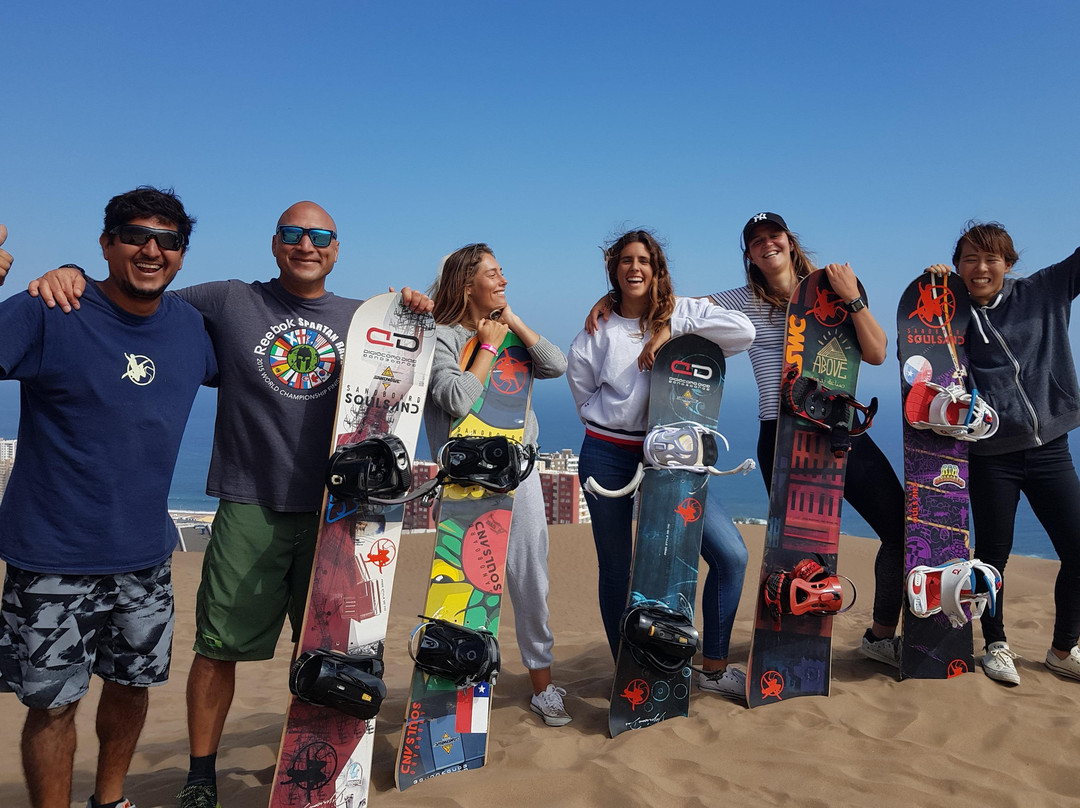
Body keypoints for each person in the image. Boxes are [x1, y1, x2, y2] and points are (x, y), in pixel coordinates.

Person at [28, 202, 432, 808]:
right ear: (275, 244)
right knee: (218, 649)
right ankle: (200, 775)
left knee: (330, 647)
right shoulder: (227, 300)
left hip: (338, 513)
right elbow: (137, 298)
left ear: (337, 249)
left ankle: (321, 765)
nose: (306, 245)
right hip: (250, 503)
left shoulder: (361, 318)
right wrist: (70, 273)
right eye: (293, 234)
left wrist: (416, 310)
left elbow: (415, 366)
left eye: (320, 236)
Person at [0, 188, 218, 808]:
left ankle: (112, 800)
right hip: (51, 556)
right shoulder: (49, 308)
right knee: (53, 705)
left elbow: (282, 370)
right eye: (134, 235)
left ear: (181, 256)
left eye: (168, 240)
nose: (151, 250)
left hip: (145, 557)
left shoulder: (191, 330)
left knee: (131, 687)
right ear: (105, 244)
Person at [708, 213, 906, 666]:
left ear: (789, 241)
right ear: (749, 255)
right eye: (755, 241)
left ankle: (878, 637)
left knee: (898, 528)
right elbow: (672, 306)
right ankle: (790, 644)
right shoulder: (738, 301)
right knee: (797, 551)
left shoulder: (831, 288)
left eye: (773, 235)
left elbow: (875, 353)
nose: (766, 244)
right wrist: (614, 299)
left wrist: (853, 298)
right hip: (782, 432)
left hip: (839, 429)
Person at [568, 229, 756, 694]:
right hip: (609, 452)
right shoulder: (599, 326)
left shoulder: (685, 310)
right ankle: (624, 670)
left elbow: (743, 333)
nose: (635, 268)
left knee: (731, 556)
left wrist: (671, 329)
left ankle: (712, 668)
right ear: (614, 269)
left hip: (674, 458)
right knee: (616, 567)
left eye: (644, 261)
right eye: (626, 261)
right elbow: (582, 388)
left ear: (657, 269)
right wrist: (618, 418)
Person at [424, 243, 571, 726]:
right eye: (493, 273)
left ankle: (542, 685)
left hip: (518, 472)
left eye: (503, 272)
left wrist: (512, 322)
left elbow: (555, 365)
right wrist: (486, 346)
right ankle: (455, 694)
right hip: (467, 481)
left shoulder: (510, 331)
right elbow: (455, 398)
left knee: (531, 578)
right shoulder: (442, 336)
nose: (503, 279)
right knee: (465, 585)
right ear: (468, 284)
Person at [927, 222, 1080, 686]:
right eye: (969, 259)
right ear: (957, 266)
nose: (981, 268)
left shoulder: (1044, 290)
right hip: (993, 456)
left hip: (1051, 447)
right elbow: (920, 359)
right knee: (993, 555)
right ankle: (995, 644)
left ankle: (1062, 648)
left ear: (1008, 264)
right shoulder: (949, 314)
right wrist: (933, 293)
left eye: (991, 258)